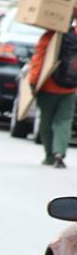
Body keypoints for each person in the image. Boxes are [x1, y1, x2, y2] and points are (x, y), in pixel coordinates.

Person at [30, 13, 77, 169]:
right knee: (64, 120)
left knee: (47, 121)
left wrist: (33, 82)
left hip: (48, 86)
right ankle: (59, 153)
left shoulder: (49, 37)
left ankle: (50, 155)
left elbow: (38, 60)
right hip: (70, 88)